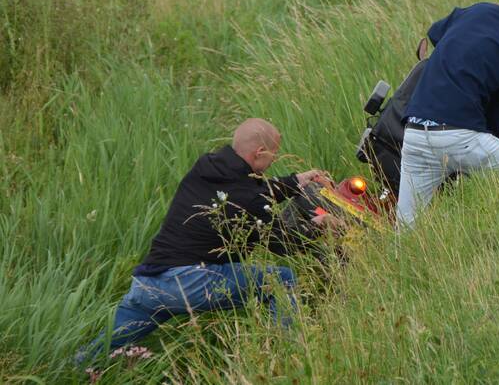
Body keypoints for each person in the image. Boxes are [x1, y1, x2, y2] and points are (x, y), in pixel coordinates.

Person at [78, 119, 328, 363]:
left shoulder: (206, 167)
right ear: (259, 152)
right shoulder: (249, 198)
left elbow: (251, 191)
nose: (275, 160)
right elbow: (285, 243)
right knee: (283, 280)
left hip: (149, 284)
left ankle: (74, 372)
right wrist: (319, 225)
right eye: (274, 154)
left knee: (96, 354)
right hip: (192, 281)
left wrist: (296, 181)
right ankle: (286, 361)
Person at [397, 0, 499, 226]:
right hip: (461, 136)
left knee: (406, 226)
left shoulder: (480, 9)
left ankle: (403, 260)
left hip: (414, 132)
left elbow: (435, 33)